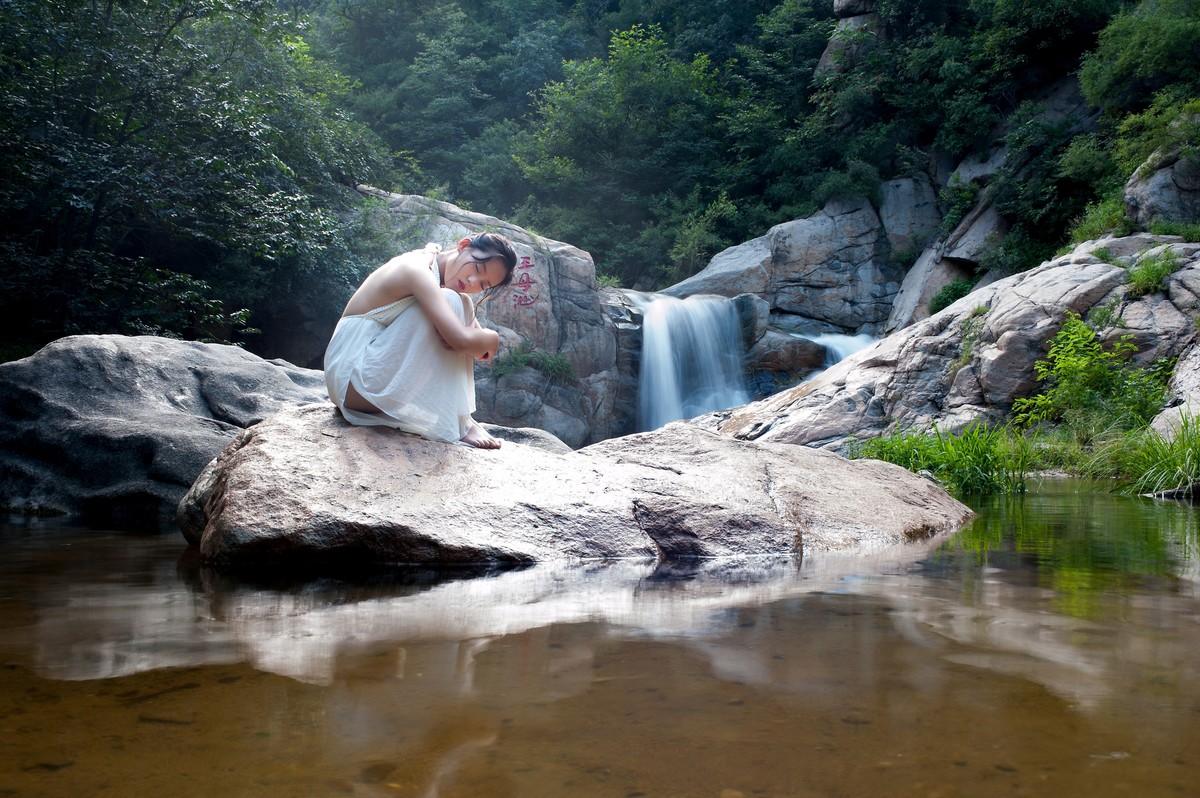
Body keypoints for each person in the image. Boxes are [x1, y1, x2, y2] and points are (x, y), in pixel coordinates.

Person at [324, 232, 517, 448]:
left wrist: (482, 342)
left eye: (483, 285)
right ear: (463, 245)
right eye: (477, 269)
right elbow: (465, 341)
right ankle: (458, 421)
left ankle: (462, 418)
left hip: (364, 384)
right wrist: (492, 337)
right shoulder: (416, 268)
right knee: (452, 300)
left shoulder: (447, 285)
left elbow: (480, 352)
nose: (472, 282)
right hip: (350, 382)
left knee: (460, 301)